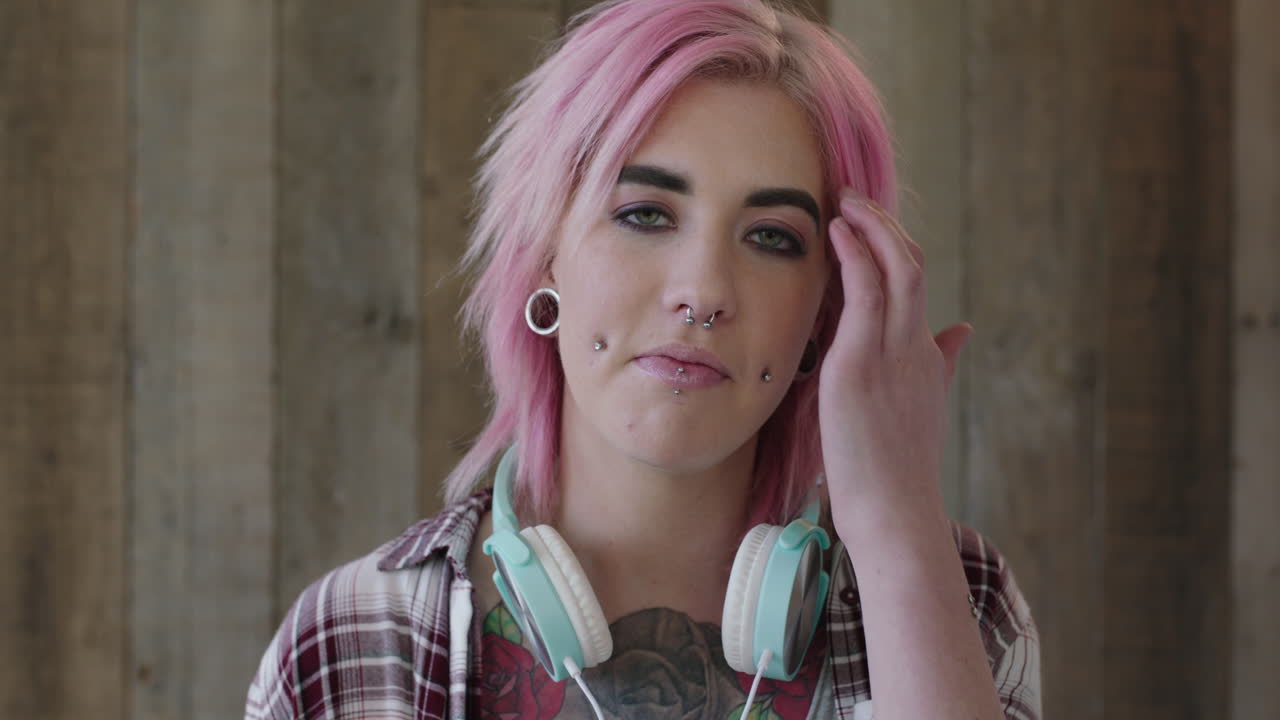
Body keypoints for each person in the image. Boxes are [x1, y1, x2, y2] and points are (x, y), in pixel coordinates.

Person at [245, 1, 1041, 718]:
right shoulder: (349, 648)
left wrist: (898, 527)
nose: (702, 293)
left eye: (772, 237)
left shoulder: (960, 598)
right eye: (644, 213)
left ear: (827, 308)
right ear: (545, 253)